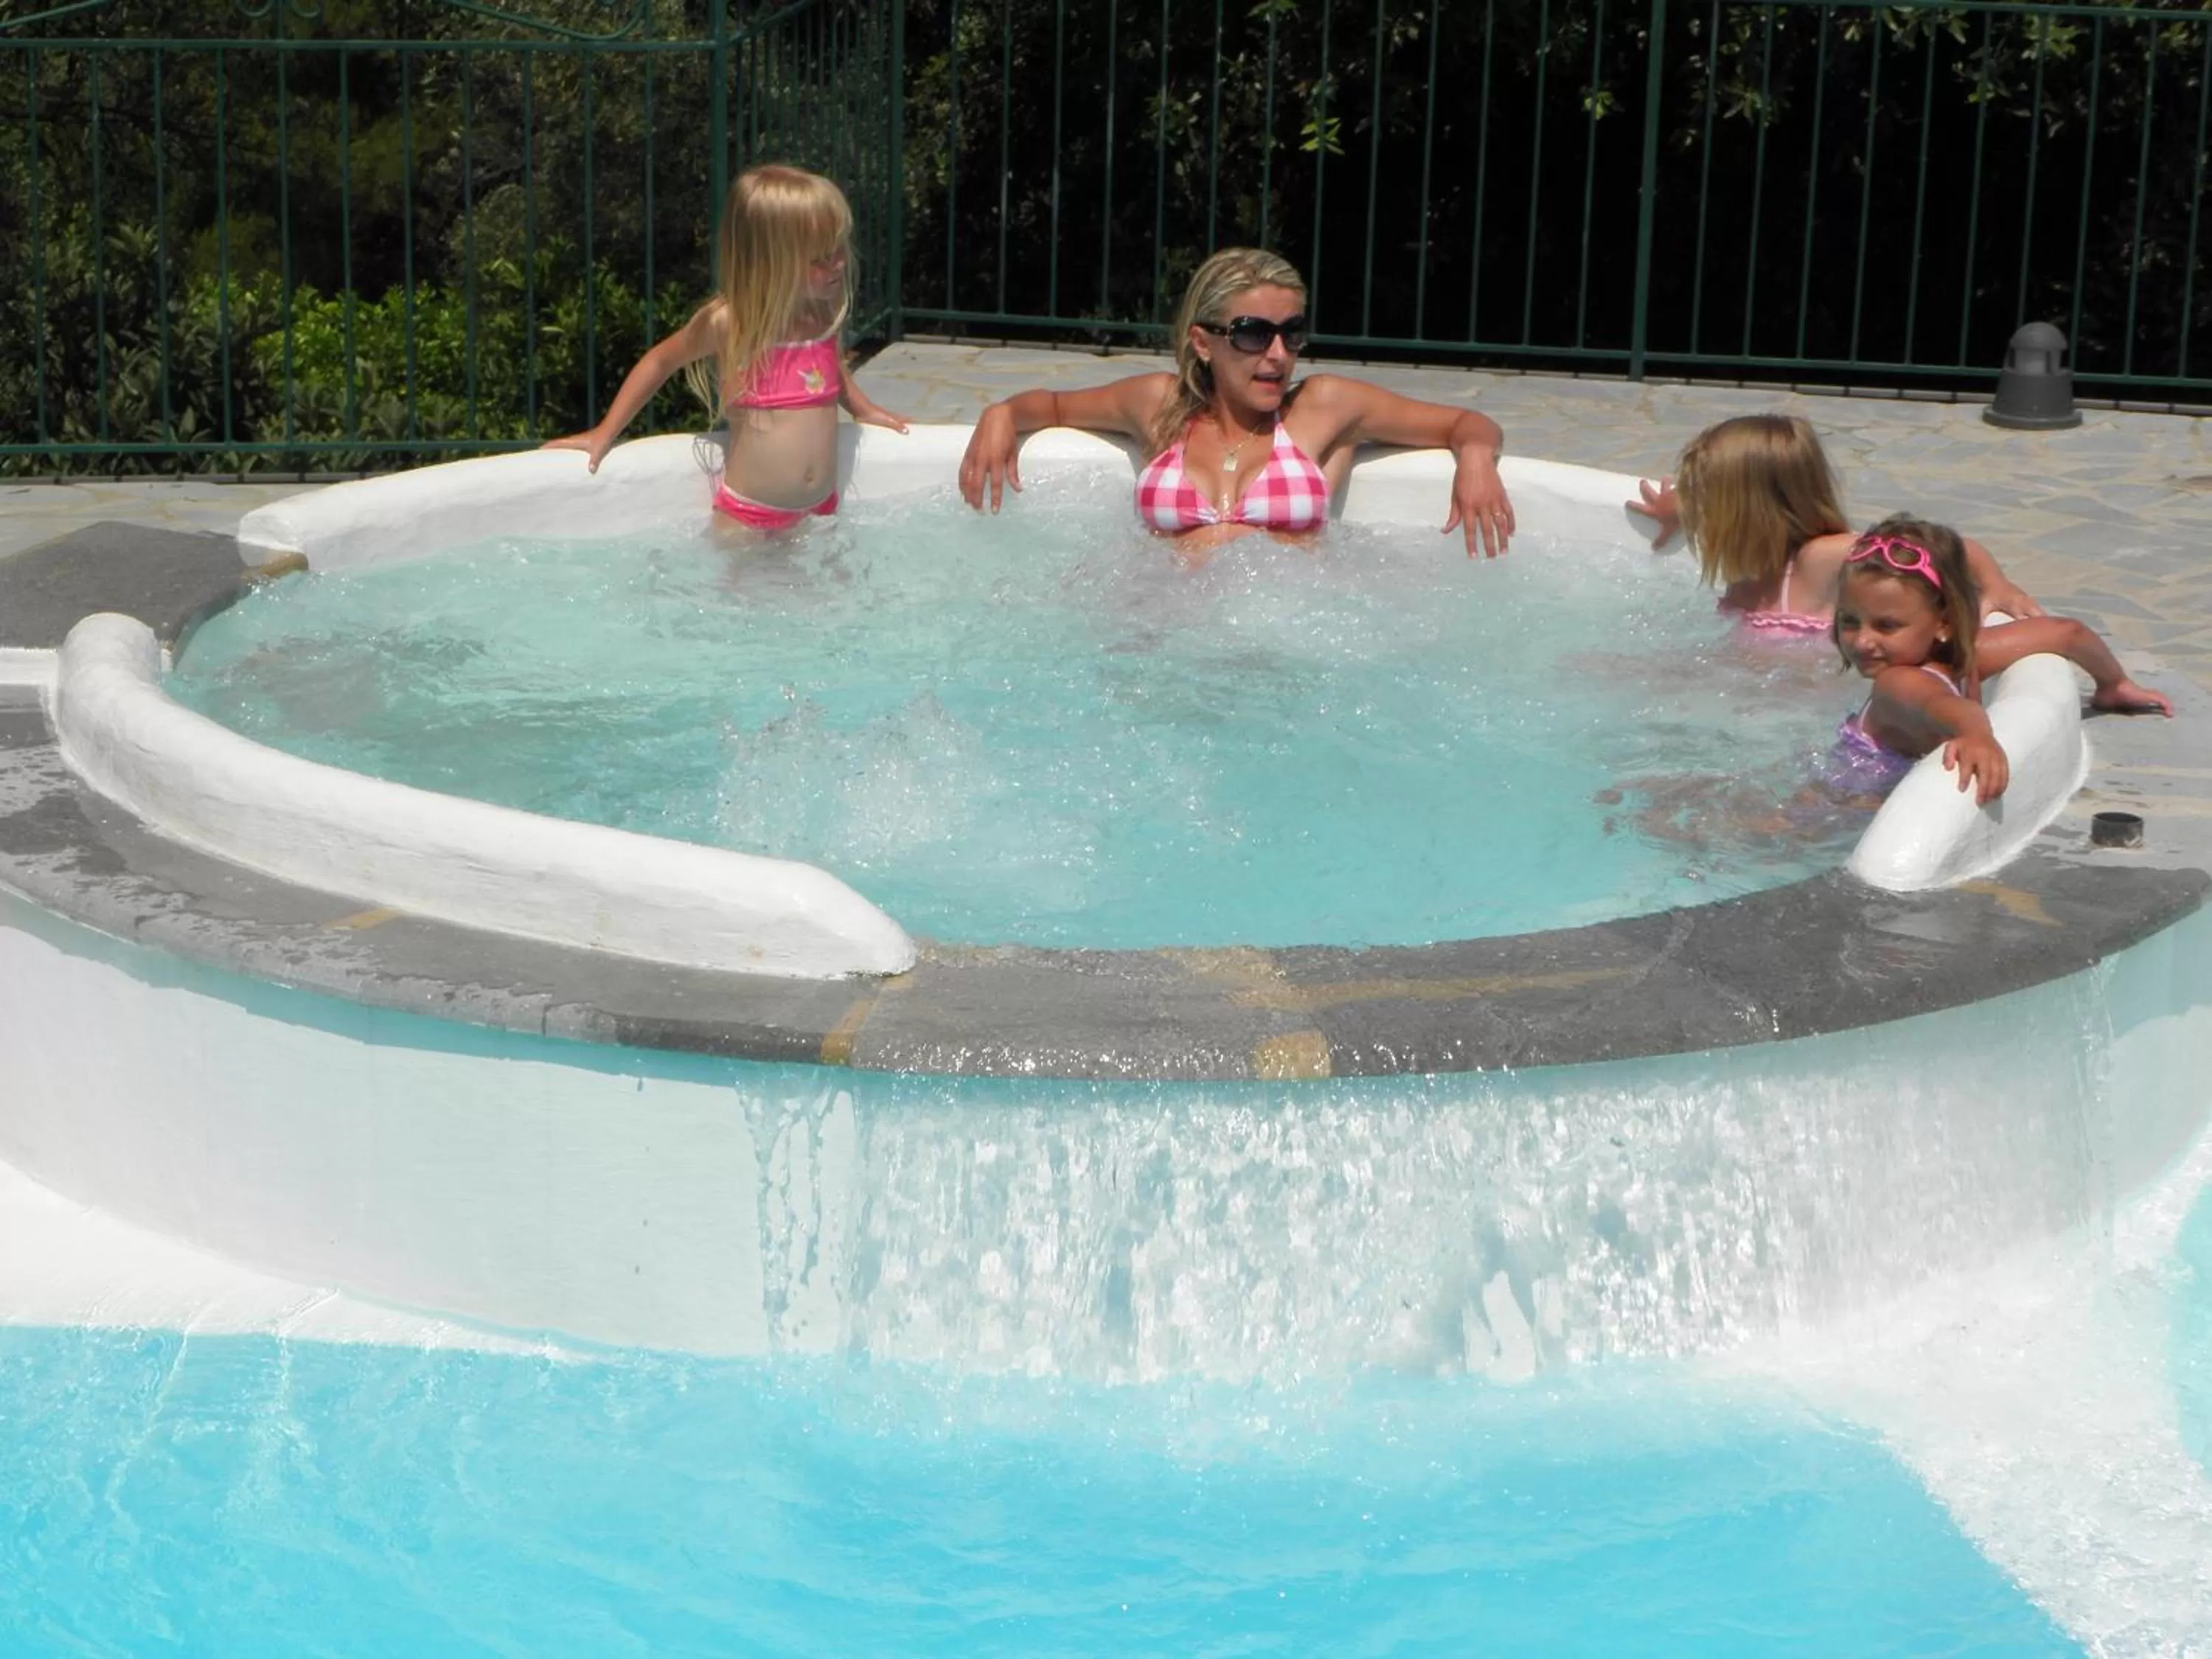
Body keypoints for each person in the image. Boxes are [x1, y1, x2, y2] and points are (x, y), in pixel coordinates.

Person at [956, 247, 1516, 557]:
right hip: (1161, 632)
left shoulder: (1321, 408)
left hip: (1279, 642)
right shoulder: (1158, 404)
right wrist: (1001, 414)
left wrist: (1474, 458)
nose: (1276, 355)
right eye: (1252, 334)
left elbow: (1470, 423)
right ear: (1204, 342)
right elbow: (1051, 407)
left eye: (1291, 333)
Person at [546, 164, 908, 529]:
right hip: (750, 518)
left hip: (820, 510)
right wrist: (605, 432)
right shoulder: (733, 321)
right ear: (769, 260)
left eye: (839, 249)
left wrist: (864, 409)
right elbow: (660, 361)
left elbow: (828, 368)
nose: (839, 264)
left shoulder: (819, 310)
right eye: (820, 258)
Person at [1823, 515, 2171, 804]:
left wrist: (1976, 736)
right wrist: (2113, 684)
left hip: (1841, 804)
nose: (1863, 640)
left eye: (1887, 626)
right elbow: (2068, 633)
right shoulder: (1971, 656)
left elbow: (1946, 706)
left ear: (1944, 622)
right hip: (1849, 799)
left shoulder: (1897, 682)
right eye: (1849, 621)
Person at [1625, 414, 2044, 632]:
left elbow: (1955, 547)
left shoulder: (1820, 560)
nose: (1698, 509)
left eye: (1705, 499)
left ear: (1749, 511)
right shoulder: (1754, 558)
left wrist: (1996, 585)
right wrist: (1672, 510)